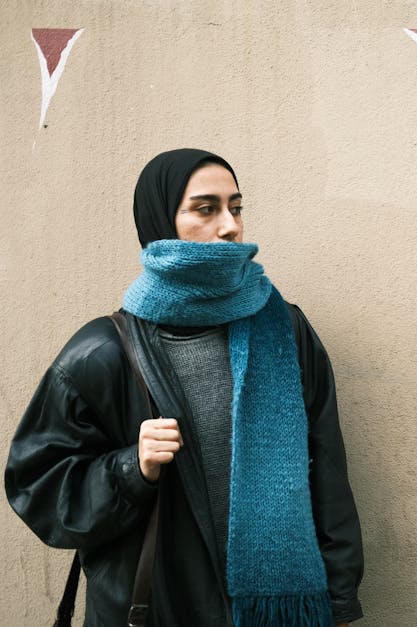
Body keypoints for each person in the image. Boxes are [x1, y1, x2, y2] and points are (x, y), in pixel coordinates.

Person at [5, 149, 364, 625]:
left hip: (279, 609)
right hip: (160, 609)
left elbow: (328, 473)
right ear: (161, 221)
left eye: (236, 207)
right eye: (206, 209)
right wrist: (132, 468)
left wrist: (338, 600)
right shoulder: (102, 351)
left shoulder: (285, 331)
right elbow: (39, 488)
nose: (230, 226)